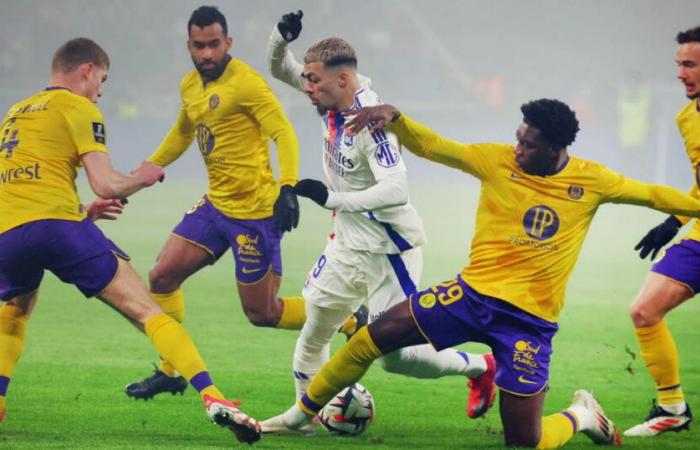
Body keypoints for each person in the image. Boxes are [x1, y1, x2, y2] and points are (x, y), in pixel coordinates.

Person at [262, 98, 700, 447]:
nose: (518, 148)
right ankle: (296, 417)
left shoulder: (593, 181)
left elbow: (656, 195)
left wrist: (687, 211)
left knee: (524, 443)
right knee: (367, 341)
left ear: (554, 149)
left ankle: (582, 415)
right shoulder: (496, 161)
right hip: (468, 298)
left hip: (528, 324)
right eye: (518, 138)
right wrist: (397, 118)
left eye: (528, 144)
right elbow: (434, 146)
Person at [0, 37, 260, 444]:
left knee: (15, 310)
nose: (100, 90)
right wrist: (143, 176)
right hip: (57, 227)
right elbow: (106, 181)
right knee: (147, 311)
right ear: (86, 70)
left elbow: (28, 182)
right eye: (101, 79)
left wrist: (85, 210)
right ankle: (213, 396)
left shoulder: (14, 112)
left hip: (7, 233)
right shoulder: (80, 107)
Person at [263, 11, 495, 432]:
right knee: (315, 330)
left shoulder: (373, 123)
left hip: (390, 253)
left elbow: (396, 190)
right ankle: (304, 419)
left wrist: (331, 197)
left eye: (314, 80)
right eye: (309, 79)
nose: (307, 87)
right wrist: (280, 38)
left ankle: (480, 366)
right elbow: (281, 68)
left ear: (344, 79)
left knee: (397, 357)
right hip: (347, 245)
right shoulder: (330, 96)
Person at [124, 6, 360, 400]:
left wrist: (287, 186)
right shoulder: (190, 85)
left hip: (255, 215)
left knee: (263, 314)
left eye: (214, 44)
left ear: (227, 43)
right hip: (215, 207)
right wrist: (146, 169)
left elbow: (283, 132)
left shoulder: (246, 83)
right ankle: (171, 371)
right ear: (189, 46)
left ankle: (349, 319)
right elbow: (183, 131)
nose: (207, 54)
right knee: (162, 275)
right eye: (199, 46)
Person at [624, 25, 700, 437]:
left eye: (689, 64)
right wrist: (674, 221)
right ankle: (673, 408)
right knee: (644, 310)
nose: (680, 73)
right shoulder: (687, 118)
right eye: (679, 64)